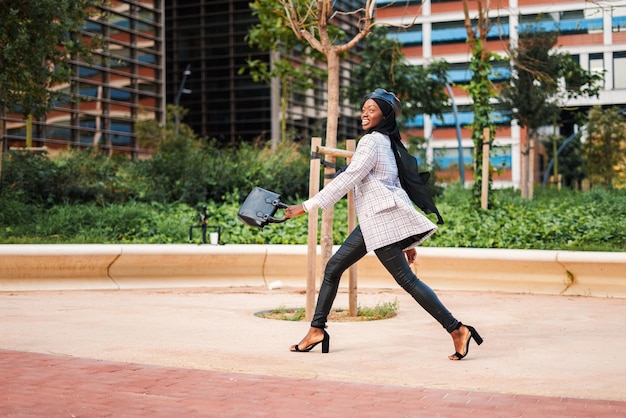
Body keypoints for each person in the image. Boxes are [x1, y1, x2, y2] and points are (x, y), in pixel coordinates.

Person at [284, 88, 482, 360]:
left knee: (407, 281)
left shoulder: (372, 142)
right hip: (376, 222)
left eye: (372, 109)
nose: (365, 113)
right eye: (364, 108)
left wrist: (307, 206)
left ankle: (457, 329)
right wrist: (406, 239)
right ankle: (317, 329)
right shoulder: (387, 143)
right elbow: (392, 186)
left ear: (385, 115)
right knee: (333, 268)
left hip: (378, 222)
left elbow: (350, 177)